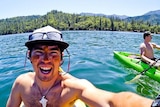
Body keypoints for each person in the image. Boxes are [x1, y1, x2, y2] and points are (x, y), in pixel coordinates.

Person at [7, 26, 155, 107]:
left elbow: (113, 101)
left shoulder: (73, 87)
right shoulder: (21, 84)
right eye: (38, 52)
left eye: (53, 53)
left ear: (62, 58)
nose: (46, 59)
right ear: (29, 56)